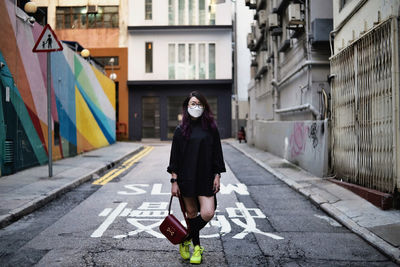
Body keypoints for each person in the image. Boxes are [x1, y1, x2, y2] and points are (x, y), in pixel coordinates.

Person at [167, 91, 226, 264]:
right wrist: (174, 181)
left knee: (208, 212)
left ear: (205, 107)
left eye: (199, 103)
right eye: (192, 104)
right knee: (191, 214)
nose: (196, 107)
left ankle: (185, 238)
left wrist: (217, 175)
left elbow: (217, 154)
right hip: (186, 178)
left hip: (206, 177)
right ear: (187, 107)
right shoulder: (180, 131)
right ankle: (197, 248)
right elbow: (174, 159)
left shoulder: (211, 129)